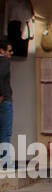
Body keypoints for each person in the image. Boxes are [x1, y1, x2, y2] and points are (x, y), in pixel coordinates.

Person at [0, 40, 12, 169]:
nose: (11, 53)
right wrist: (1, 94)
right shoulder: (4, 61)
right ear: (1, 51)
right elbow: (0, 75)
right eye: (9, 50)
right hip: (4, 100)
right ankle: (5, 161)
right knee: (5, 131)